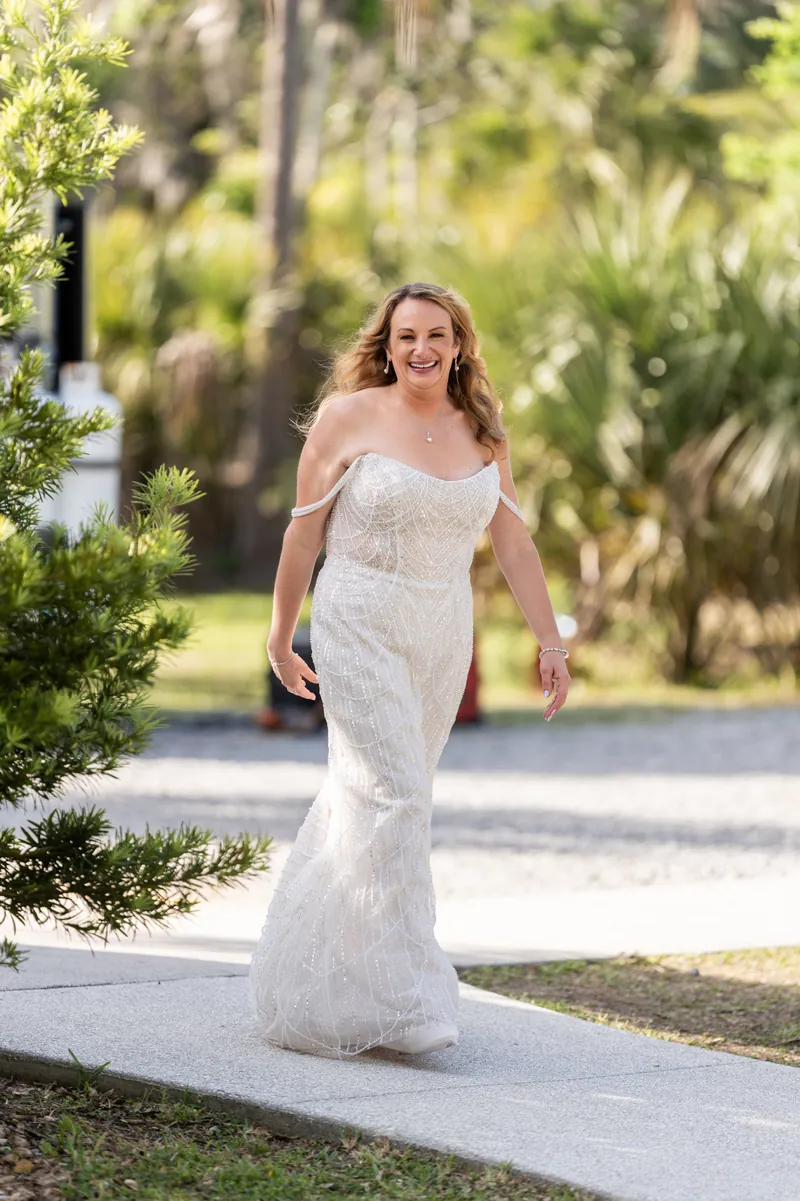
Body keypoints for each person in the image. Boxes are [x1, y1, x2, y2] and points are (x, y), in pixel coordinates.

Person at [249, 282, 570, 1059]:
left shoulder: (484, 429)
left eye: (436, 334)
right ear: (385, 348)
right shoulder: (346, 418)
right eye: (404, 337)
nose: (420, 349)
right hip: (358, 615)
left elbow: (515, 543)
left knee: (387, 798)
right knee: (393, 790)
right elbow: (302, 536)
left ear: (459, 343)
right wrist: (281, 633)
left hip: (440, 631)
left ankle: (323, 975)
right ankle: (406, 995)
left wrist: (549, 640)